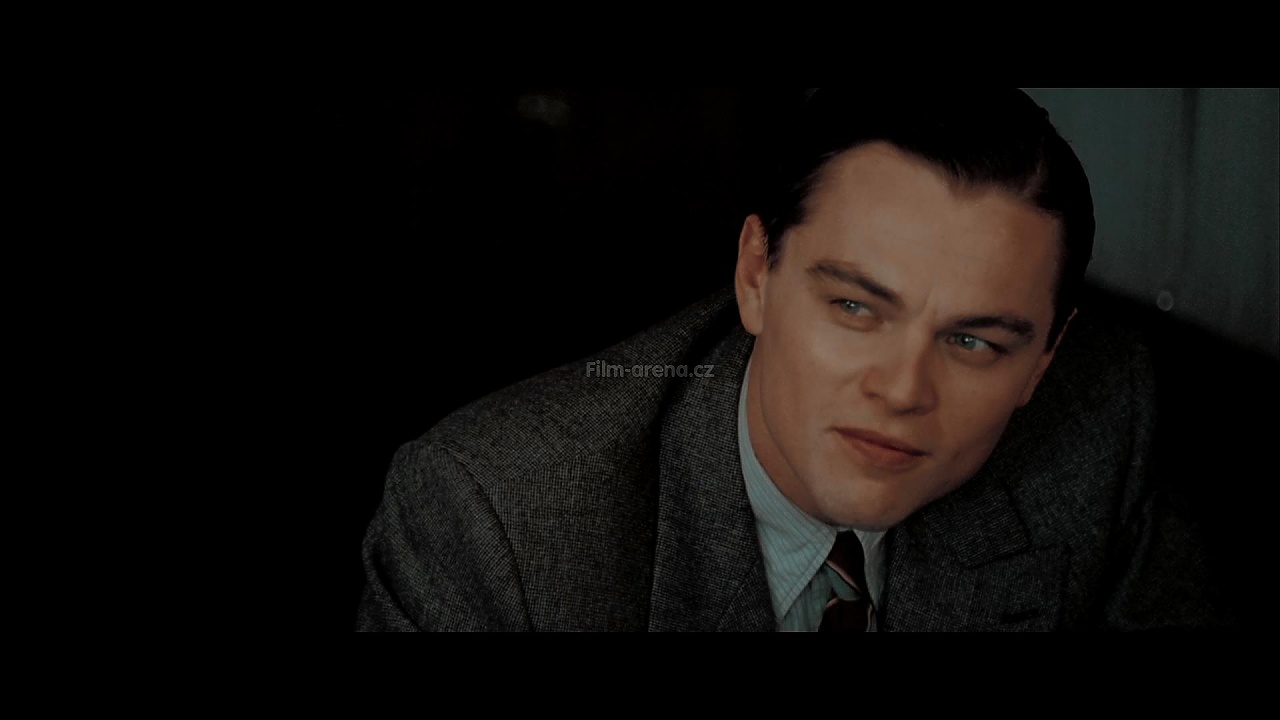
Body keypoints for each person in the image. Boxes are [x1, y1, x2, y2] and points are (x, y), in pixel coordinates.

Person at [356, 88, 1225, 631]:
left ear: (1044, 360)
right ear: (755, 276)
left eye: (972, 342)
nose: (901, 390)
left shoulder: (1102, 427)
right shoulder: (497, 520)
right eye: (854, 307)